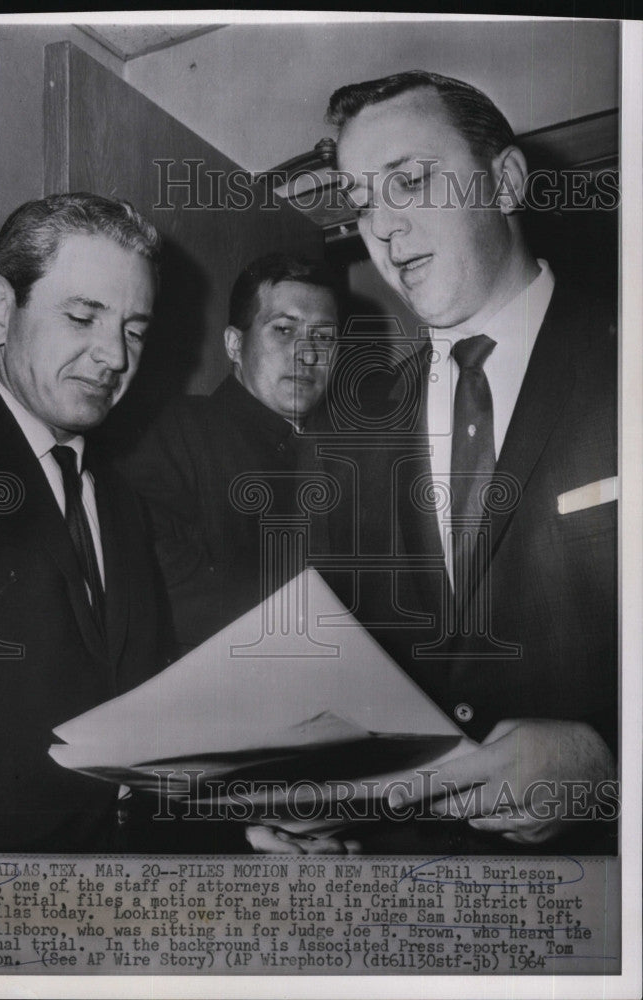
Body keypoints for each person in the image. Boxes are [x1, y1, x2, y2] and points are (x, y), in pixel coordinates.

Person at [255, 71, 617, 853]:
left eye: (409, 182)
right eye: (361, 201)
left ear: (508, 180)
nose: (381, 228)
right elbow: (339, 667)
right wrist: (311, 807)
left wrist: (608, 761)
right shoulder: (348, 429)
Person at [0, 193, 166, 853]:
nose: (115, 357)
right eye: (84, 316)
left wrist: (236, 831)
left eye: (134, 330)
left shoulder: (119, 501)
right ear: (1, 312)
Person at [127, 253, 339, 655]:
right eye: (283, 330)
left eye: (324, 337)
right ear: (234, 344)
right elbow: (149, 570)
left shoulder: (347, 458)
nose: (308, 354)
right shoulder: (177, 429)